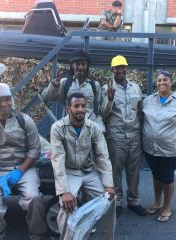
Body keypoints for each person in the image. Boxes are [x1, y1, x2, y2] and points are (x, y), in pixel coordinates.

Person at [0, 83, 47, 240]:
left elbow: (34, 149)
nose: (5, 104)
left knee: (34, 198)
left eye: (8, 99)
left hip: (24, 168)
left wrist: (20, 170)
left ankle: (37, 235)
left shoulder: (24, 121)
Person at [50, 92, 116, 240]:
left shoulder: (94, 127)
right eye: (76, 106)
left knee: (110, 200)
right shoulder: (58, 128)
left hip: (88, 171)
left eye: (83, 106)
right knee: (67, 206)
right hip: (69, 172)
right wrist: (64, 191)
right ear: (68, 108)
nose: (80, 109)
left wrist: (108, 185)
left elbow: (102, 156)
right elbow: (57, 159)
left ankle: (107, 237)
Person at [142, 70, 176, 222]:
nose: (161, 83)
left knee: (167, 177)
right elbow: (142, 120)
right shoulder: (148, 100)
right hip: (150, 148)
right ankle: (157, 201)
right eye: (159, 80)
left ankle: (167, 206)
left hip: (170, 150)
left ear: (171, 82)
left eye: (165, 80)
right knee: (156, 175)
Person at [102, 55, 147, 217]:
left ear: (126, 68)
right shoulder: (106, 88)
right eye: (117, 67)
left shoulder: (136, 88)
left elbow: (140, 112)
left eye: (123, 67)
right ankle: (117, 201)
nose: (120, 70)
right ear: (112, 69)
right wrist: (109, 98)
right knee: (116, 170)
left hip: (134, 135)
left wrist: (142, 134)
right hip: (116, 135)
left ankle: (134, 201)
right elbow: (103, 114)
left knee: (134, 170)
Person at [42, 49, 105, 131]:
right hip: (69, 132)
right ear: (72, 65)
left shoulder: (95, 85)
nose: (81, 67)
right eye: (77, 64)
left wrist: (99, 127)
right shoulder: (64, 83)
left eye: (84, 64)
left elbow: (100, 109)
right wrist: (53, 86)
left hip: (90, 132)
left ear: (87, 66)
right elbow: (45, 98)